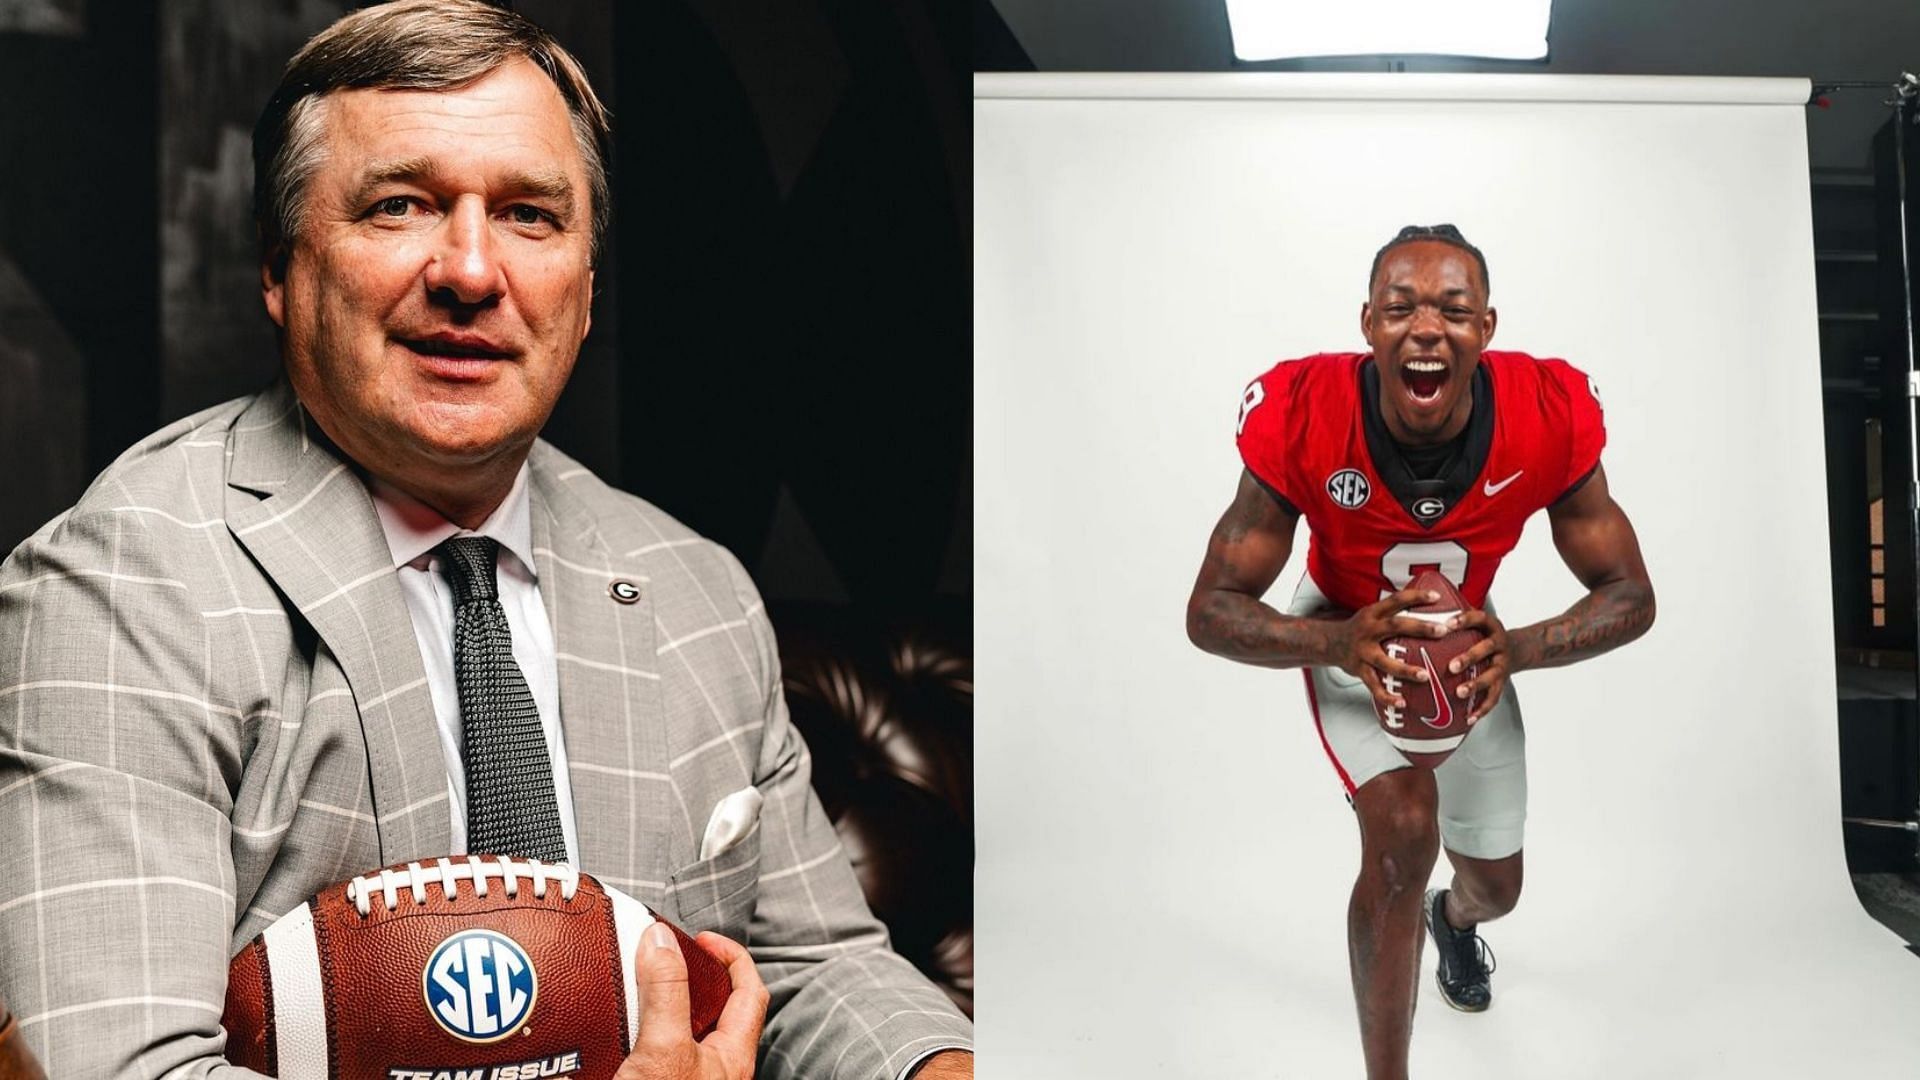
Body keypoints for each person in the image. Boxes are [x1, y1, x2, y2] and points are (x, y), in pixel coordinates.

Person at [0, 3, 972, 1078]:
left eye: (529, 216)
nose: (470, 269)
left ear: (588, 289)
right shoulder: (122, 589)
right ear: (279, 271)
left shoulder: (693, 588)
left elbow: (816, 971)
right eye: (402, 205)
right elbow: (120, 1067)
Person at [1184, 224, 1655, 1080]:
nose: (1427, 328)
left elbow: (1630, 594)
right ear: (1368, 323)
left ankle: (1459, 921)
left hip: (1472, 642)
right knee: (1404, 830)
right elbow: (1211, 612)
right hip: (1341, 627)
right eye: (1401, 307)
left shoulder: (1545, 414)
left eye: (1454, 308)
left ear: (1488, 328)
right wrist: (1338, 641)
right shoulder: (1306, 410)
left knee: (1498, 885)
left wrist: (1513, 648)